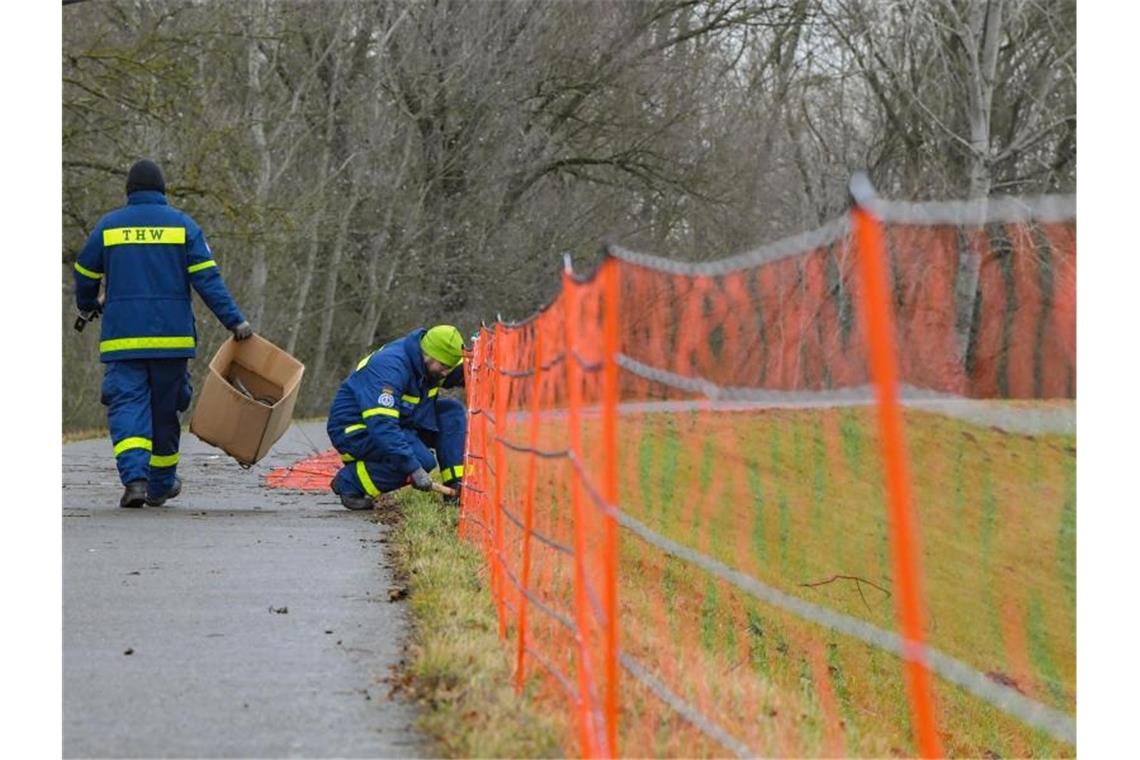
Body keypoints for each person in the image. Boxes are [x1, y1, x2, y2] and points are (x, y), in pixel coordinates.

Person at [73, 159, 252, 508]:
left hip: (123, 340)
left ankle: (135, 481)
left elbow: (83, 270)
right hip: (172, 340)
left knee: (127, 406)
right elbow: (208, 281)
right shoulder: (182, 225)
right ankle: (161, 485)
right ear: (161, 191)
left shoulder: (109, 227)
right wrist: (235, 321)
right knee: (165, 412)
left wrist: (88, 302)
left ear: (129, 192)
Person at [326, 325, 467, 510]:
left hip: (401, 419)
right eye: (444, 367)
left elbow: (453, 374)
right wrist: (413, 468)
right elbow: (382, 425)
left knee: (451, 412)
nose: (445, 373)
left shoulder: (427, 361)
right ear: (429, 355)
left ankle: (456, 487)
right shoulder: (390, 367)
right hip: (357, 429)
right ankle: (350, 482)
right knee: (421, 461)